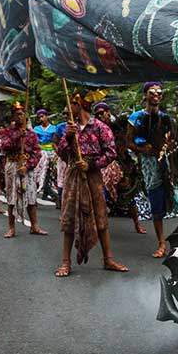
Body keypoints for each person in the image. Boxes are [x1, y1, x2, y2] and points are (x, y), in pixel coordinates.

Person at [54, 91, 127, 276]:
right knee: (69, 218)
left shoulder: (101, 127)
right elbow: (63, 154)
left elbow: (111, 152)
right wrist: (69, 138)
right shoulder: (69, 128)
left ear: (81, 105)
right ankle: (65, 262)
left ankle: (108, 259)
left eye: (72, 104)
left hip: (93, 177)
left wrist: (92, 164)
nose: (68, 110)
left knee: (100, 217)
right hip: (73, 176)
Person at [129, 82, 176, 258]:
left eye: (159, 92)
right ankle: (161, 242)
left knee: (171, 200)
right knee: (155, 202)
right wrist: (145, 150)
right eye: (152, 92)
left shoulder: (167, 118)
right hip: (148, 165)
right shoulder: (136, 117)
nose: (156, 95)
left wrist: (169, 146)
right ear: (145, 96)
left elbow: (172, 140)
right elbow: (129, 142)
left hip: (165, 163)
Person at [0, 104, 47, 237]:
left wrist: (28, 166)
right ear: (13, 116)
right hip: (12, 166)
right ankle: (11, 228)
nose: (21, 116)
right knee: (12, 197)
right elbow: (4, 147)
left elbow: (37, 153)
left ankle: (34, 226)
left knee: (31, 196)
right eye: (18, 114)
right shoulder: (7, 132)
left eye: (22, 114)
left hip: (27, 168)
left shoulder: (32, 134)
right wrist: (18, 136)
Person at [108, 112, 149, 234]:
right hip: (110, 167)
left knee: (131, 198)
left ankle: (137, 224)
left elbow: (136, 148)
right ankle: (101, 227)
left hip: (126, 166)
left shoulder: (130, 136)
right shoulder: (110, 132)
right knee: (103, 199)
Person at [32, 109, 57, 202]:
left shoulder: (54, 128)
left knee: (51, 174)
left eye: (43, 116)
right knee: (40, 172)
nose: (41, 118)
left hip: (52, 152)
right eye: (39, 117)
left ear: (47, 116)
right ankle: (42, 192)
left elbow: (56, 141)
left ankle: (48, 192)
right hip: (41, 153)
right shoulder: (36, 129)